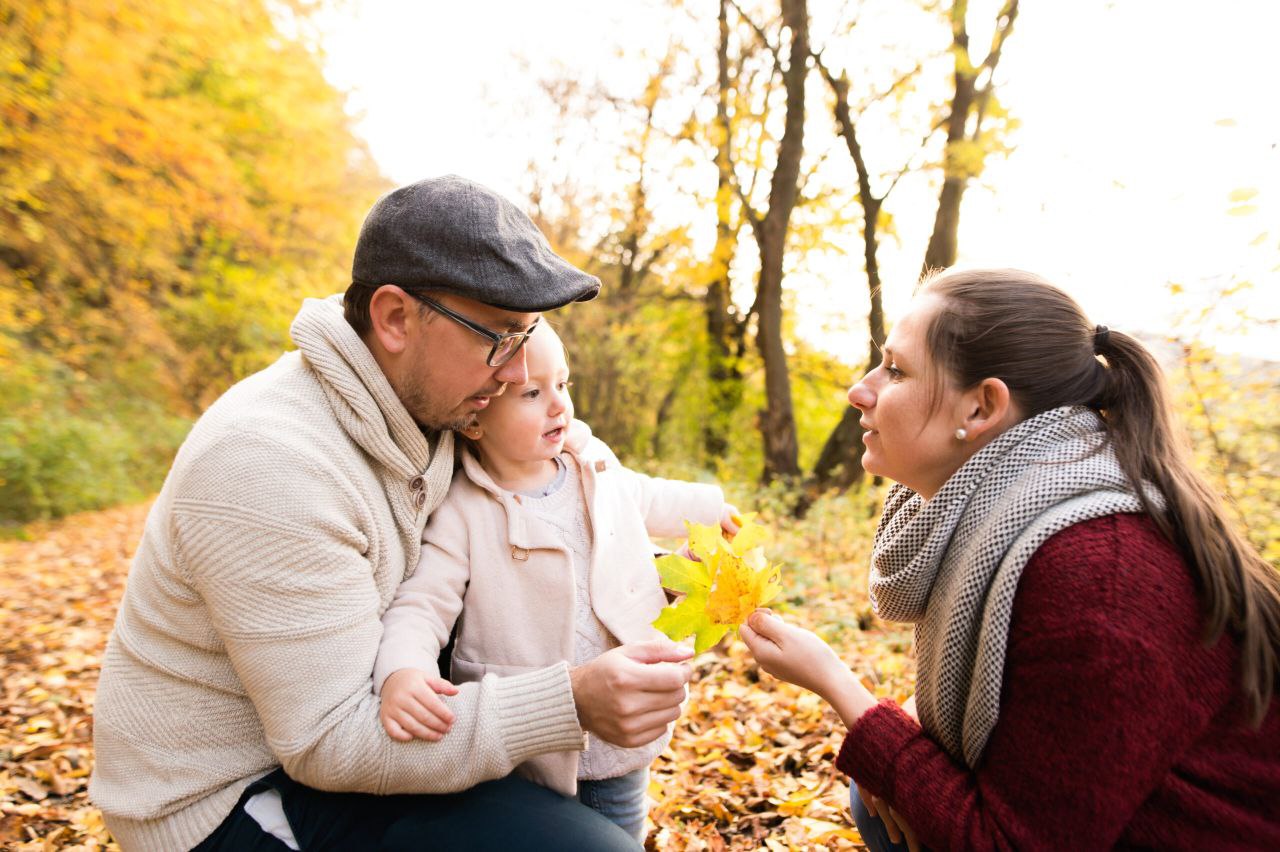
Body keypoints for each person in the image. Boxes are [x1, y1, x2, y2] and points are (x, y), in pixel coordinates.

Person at [89, 176, 695, 851]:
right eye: (498, 336)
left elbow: (495, 541)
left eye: (527, 335)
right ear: (396, 319)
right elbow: (331, 741)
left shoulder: (439, 403)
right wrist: (570, 700)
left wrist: (611, 577)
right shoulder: (267, 463)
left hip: (384, 724)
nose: (515, 372)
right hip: (238, 792)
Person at [741, 268, 1280, 850]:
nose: (861, 389)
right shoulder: (1006, 509)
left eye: (896, 370)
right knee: (878, 797)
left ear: (980, 410)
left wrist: (838, 687)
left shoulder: (1099, 578)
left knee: (887, 777)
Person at [371, 323, 738, 842]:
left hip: (621, 734)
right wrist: (401, 672)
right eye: (532, 393)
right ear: (474, 419)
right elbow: (422, 604)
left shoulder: (590, 463)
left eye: (562, 384)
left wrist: (709, 508)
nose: (558, 406)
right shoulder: (464, 509)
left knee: (619, 834)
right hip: (532, 746)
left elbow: (645, 495)